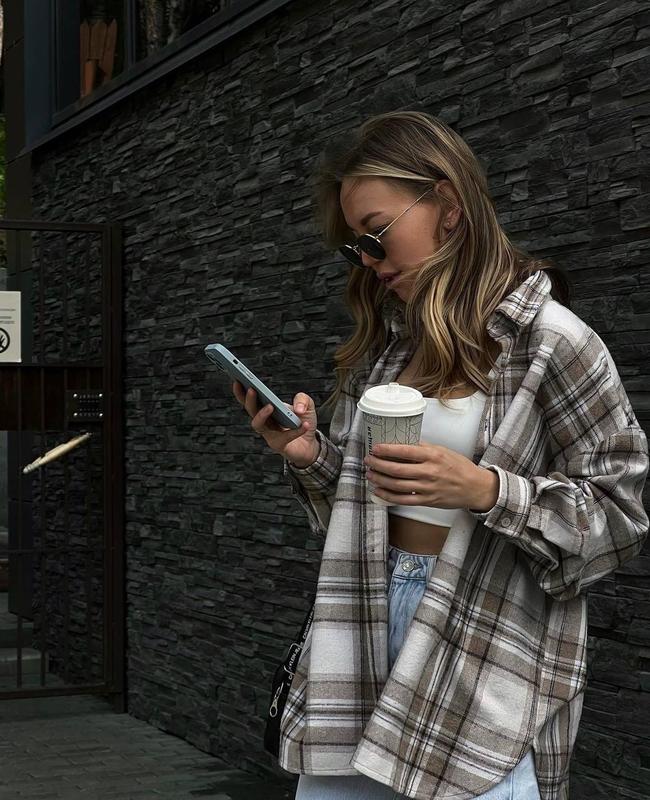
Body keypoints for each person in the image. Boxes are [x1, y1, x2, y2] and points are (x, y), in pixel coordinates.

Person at [233, 111, 649, 800]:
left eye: (375, 233)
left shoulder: (554, 342)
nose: (369, 261)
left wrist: (488, 490)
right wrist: (310, 456)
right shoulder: (392, 350)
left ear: (448, 206)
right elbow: (366, 510)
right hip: (363, 621)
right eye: (355, 248)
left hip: (483, 637)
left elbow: (619, 517)